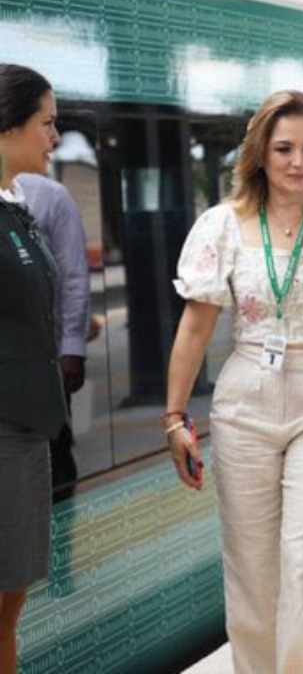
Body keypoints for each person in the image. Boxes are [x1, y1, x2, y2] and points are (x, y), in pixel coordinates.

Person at [164, 89, 303, 673]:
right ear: (259, 154)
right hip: (245, 401)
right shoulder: (222, 225)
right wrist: (174, 417)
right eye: (285, 148)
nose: (299, 161)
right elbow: (195, 328)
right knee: (250, 563)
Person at [0, 62, 69, 674]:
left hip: (25, 423)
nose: (55, 137)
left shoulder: (18, 206)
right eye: (46, 124)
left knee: (9, 600)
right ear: (7, 127)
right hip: (2, 427)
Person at [17, 172, 89, 500]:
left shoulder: (49, 196)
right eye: (46, 125)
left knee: (52, 469)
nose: (55, 138)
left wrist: (71, 347)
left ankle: (56, 549)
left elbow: (73, 275)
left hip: (43, 365)